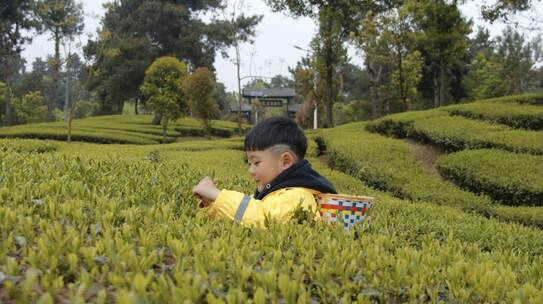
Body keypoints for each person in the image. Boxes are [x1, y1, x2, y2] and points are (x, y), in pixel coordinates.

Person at [192, 116, 337, 227]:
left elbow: (262, 220)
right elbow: (239, 218)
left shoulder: (298, 197)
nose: (251, 170)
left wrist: (218, 195)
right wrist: (210, 204)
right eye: (249, 163)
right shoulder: (273, 193)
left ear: (285, 161)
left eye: (256, 163)